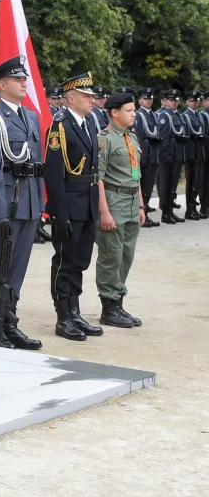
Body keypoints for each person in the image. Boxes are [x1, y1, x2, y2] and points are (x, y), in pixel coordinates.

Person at [0, 57, 44, 350]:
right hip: (6, 203)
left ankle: (10, 323)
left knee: (17, 268)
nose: (23, 83)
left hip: (28, 202)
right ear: (2, 85)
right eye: (17, 79)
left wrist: (40, 203)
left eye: (24, 78)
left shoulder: (30, 117)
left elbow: (36, 164)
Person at [42, 73, 103, 342]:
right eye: (86, 96)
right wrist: (59, 214)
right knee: (65, 261)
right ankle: (63, 316)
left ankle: (75, 312)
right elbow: (53, 175)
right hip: (69, 204)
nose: (92, 100)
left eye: (91, 96)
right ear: (70, 98)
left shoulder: (90, 123)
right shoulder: (60, 126)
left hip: (86, 203)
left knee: (80, 261)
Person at [94, 93, 146, 329]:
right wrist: (104, 212)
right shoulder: (104, 139)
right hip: (113, 203)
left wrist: (142, 206)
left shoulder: (131, 137)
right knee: (111, 256)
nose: (133, 113)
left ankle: (118, 301)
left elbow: (136, 176)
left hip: (132, 202)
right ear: (114, 112)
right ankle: (109, 307)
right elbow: (98, 178)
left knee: (126, 256)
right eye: (129, 110)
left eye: (134, 110)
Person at [156, 90, 187, 224]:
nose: (174, 102)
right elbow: (163, 137)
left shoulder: (177, 115)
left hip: (177, 154)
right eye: (171, 100)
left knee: (173, 184)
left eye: (176, 100)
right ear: (166, 101)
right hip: (168, 155)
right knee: (166, 184)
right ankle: (165, 213)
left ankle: (170, 211)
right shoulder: (164, 115)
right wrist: (165, 155)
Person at [134, 87, 161, 226]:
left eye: (150, 98)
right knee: (142, 186)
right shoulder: (137, 115)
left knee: (149, 186)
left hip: (153, 155)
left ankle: (146, 214)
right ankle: (141, 216)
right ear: (139, 100)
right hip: (143, 154)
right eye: (145, 98)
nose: (148, 101)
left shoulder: (154, 115)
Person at [181, 91, 205, 220]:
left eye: (196, 101)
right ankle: (189, 209)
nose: (194, 103)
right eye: (192, 101)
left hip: (199, 152)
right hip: (190, 152)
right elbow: (186, 135)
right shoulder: (185, 116)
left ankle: (194, 208)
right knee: (190, 181)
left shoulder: (198, 116)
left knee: (197, 181)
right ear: (187, 102)